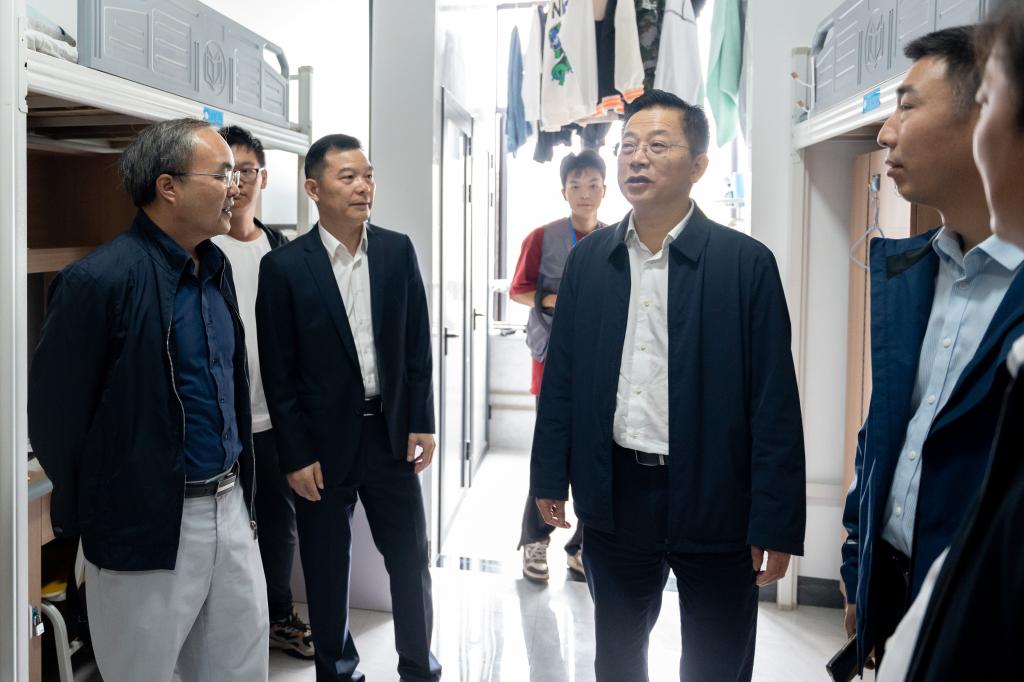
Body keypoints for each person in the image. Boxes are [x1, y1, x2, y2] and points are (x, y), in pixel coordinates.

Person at [530, 89, 806, 682]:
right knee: (618, 658)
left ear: (698, 165)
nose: (637, 158)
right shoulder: (590, 261)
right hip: (617, 495)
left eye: (658, 145)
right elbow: (564, 378)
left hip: (717, 497)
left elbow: (774, 402)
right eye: (628, 145)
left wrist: (775, 520)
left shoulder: (745, 264)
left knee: (716, 662)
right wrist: (549, 474)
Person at [27, 118, 269, 681]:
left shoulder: (215, 269)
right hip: (144, 522)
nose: (236, 187)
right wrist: (108, 509)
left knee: (240, 667)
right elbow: (56, 421)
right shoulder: (98, 282)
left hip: (230, 507)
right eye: (222, 174)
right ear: (169, 187)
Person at [841, 25, 1024, 672]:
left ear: (987, 117)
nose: (885, 134)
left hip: (981, 608)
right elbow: (886, 431)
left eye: (908, 106)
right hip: (895, 584)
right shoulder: (911, 271)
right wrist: (860, 567)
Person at [256, 134, 441, 682]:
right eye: (348, 177)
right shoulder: (284, 267)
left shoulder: (397, 251)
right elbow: (279, 372)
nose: (363, 187)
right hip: (320, 446)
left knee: (410, 560)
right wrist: (294, 454)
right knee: (326, 567)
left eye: (368, 176)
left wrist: (421, 421)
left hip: (390, 434)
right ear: (314, 189)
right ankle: (338, 673)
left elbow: (416, 344)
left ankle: (419, 668)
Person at [211, 125, 314, 659]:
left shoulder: (281, 250)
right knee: (223, 530)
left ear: (264, 178)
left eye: (247, 171)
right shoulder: (203, 248)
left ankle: (278, 616)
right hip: (221, 421)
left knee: (279, 523)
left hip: (273, 417)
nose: (238, 182)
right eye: (227, 172)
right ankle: (225, 629)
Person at [510, 149, 607, 583]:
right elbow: (517, 290)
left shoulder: (615, 237)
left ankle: (581, 546)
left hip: (601, 366)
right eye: (576, 185)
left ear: (605, 190)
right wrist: (553, 299)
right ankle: (535, 541)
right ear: (563, 192)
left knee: (595, 459)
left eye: (593, 185)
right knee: (549, 456)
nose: (585, 193)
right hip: (551, 363)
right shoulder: (542, 237)